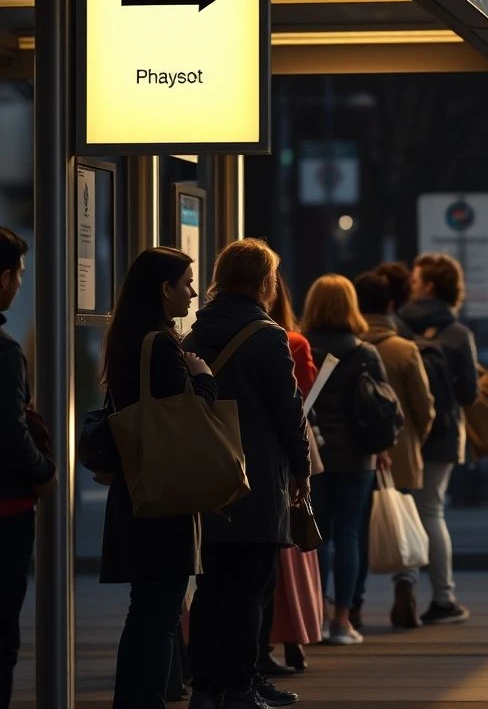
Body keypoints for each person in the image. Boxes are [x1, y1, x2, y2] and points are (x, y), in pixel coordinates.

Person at [183, 239, 310, 709]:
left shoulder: (195, 334)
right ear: (264, 281)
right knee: (250, 589)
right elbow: (288, 411)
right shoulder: (267, 335)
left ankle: (206, 688)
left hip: (209, 479)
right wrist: (301, 472)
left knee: (213, 588)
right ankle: (240, 687)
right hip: (256, 481)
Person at [97, 246, 214, 709]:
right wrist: (203, 378)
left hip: (137, 488)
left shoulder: (127, 337)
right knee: (160, 613)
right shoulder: (161, 344)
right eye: (186, 283)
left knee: (147, 609)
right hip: (165, 496)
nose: (192, 294)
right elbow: (188, 418)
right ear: (164, 289)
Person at [300, 274, 387, 646]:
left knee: (316, 537)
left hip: (313, 455)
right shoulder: (365, 353)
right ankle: (342, 621)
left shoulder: (298, 346)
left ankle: (315, 616)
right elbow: (384, 406)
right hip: (357, 455)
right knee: (350, 534)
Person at [396, 253, 479, 625]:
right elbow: (469, 396)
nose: (412, 283)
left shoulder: (398, 327)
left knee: (406, 511)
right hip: (444, 436)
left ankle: (406, 590)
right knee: (432, 510)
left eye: (416, 279)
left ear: (428, 285)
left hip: (404, 433)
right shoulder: (459, 334)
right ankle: (444, 597)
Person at [355, 271, 435, 628]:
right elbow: (425, 406)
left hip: (355, 455)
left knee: (353, 529)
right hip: (399, 450)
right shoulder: (405, 350)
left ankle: (351, 606)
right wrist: (416, 438)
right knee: (402, 523)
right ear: (390, 305)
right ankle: (406, 587)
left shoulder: (348, 345)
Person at [0, 228, 56, 709]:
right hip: (7, 507)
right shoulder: (4, 352)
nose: (19, 283)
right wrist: (43, 472)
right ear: (2, 279)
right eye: (18, 273)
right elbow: (10, 430)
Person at [259, 270, 323, 678]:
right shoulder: (291, 341)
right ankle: (293, 637)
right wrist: (303, 472)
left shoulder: (199, 337)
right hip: (283, 460)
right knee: (288, 559)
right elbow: (301, 395)